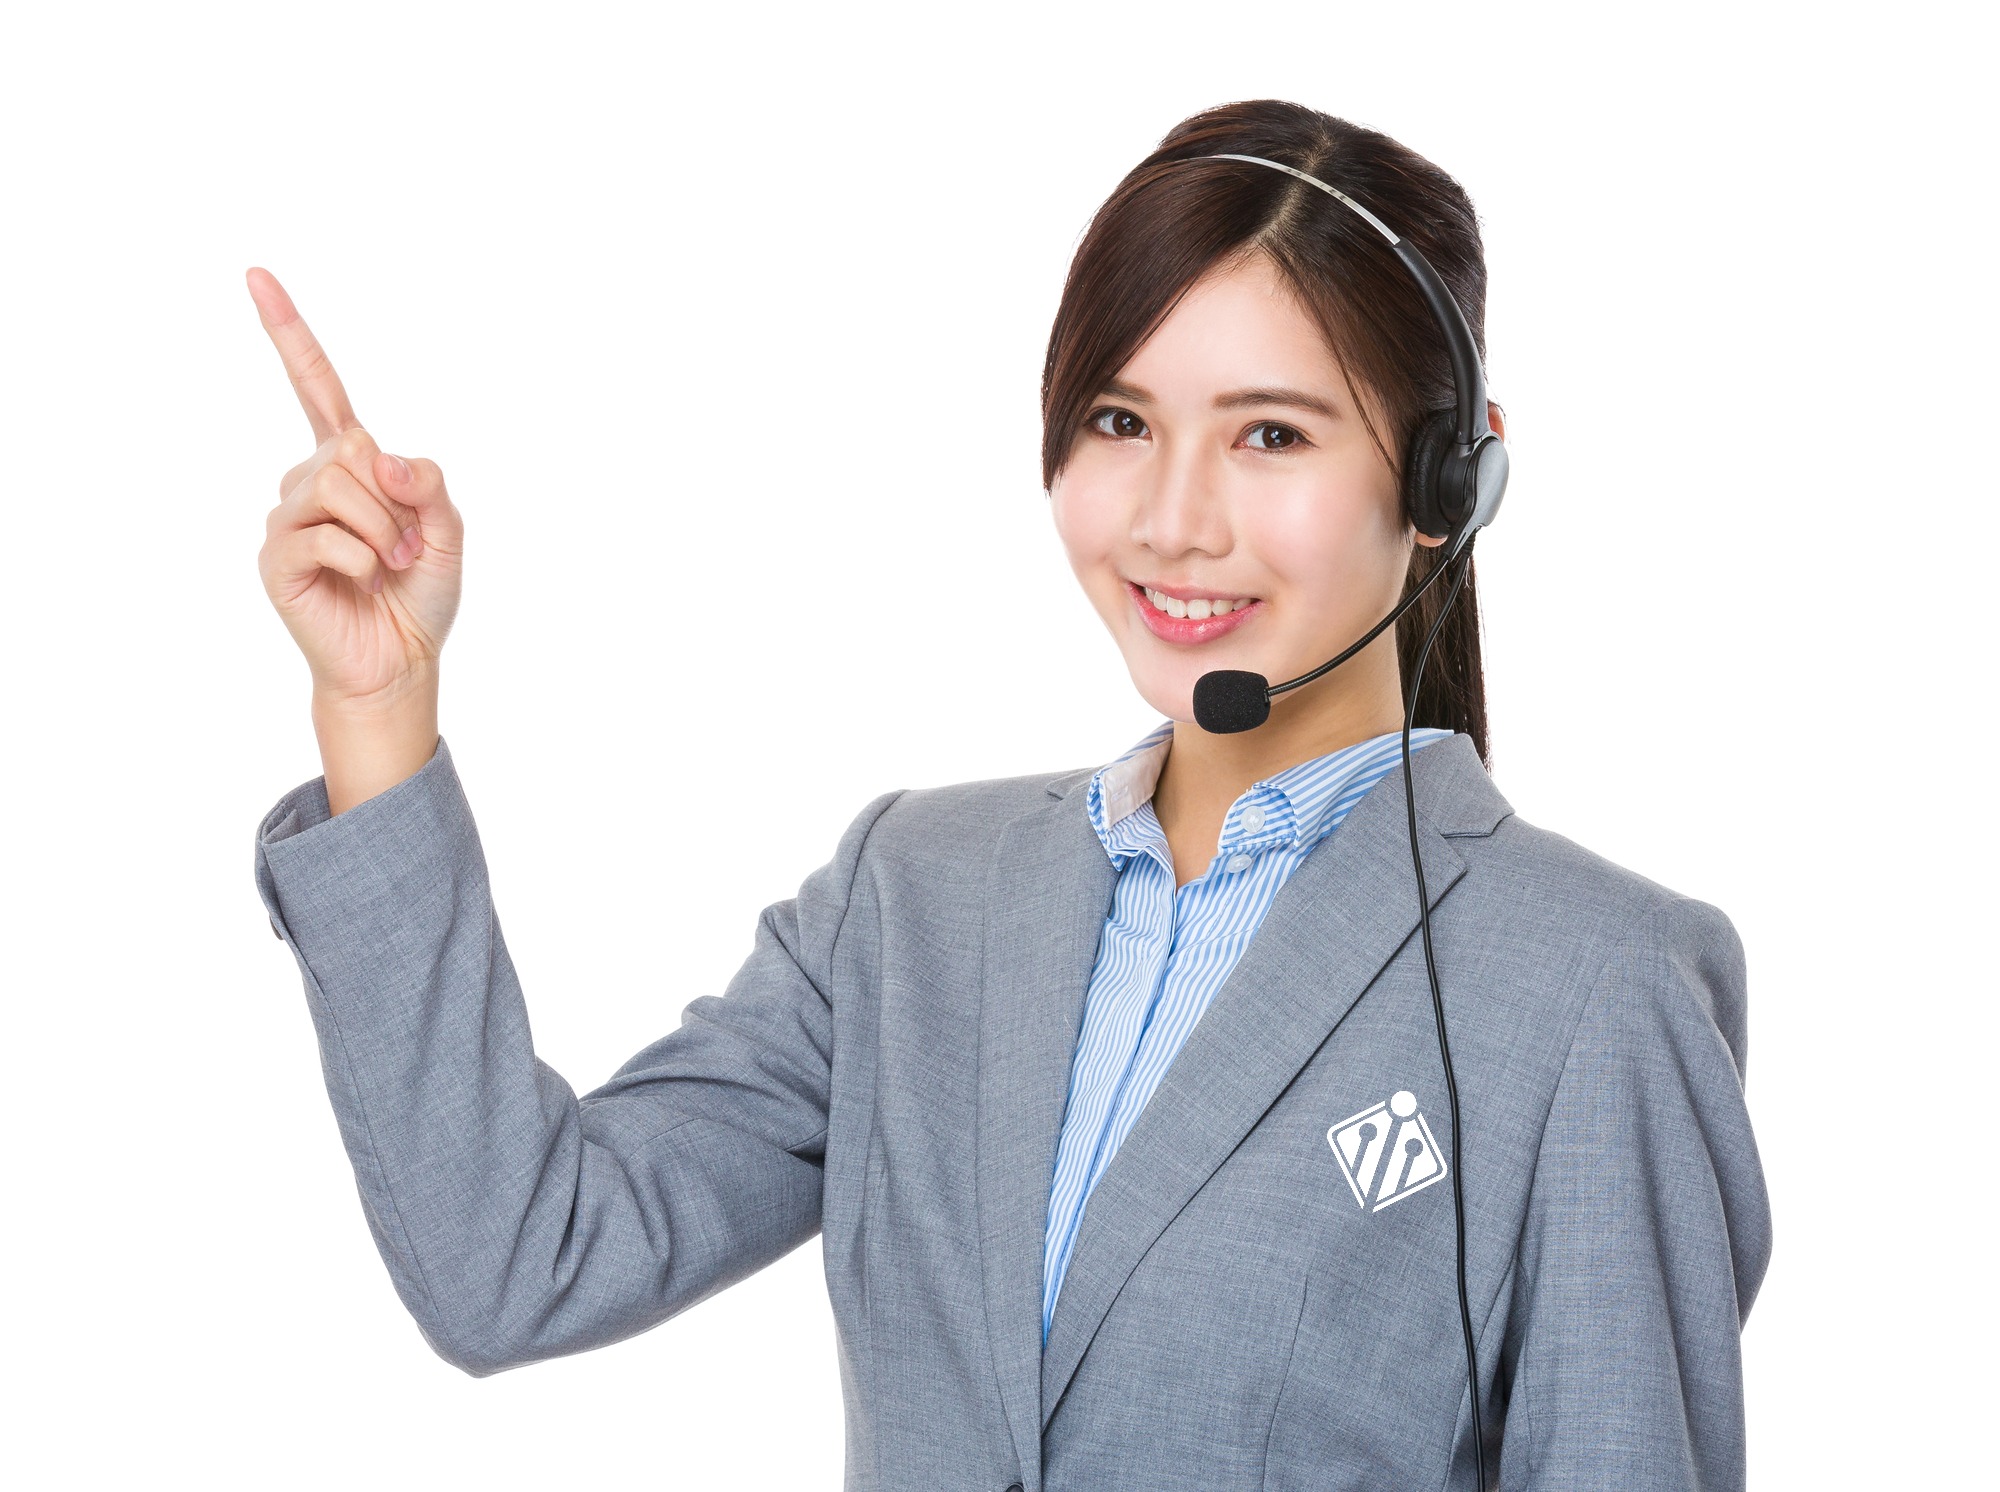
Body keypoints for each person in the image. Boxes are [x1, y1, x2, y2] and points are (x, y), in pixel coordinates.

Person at [249, 99, 1771, 1491]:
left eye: (1270, 434)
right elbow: (520, 1259)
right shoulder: (917, 894)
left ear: (1447, 485)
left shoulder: (1594, 991)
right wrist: (378, 710)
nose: (1175, 521)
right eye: (1121, 422)